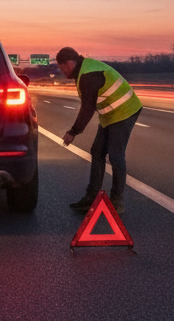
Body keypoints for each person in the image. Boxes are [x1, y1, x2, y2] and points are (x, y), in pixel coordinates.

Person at [56, 46, 142, 214]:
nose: (62, 71)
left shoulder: (88, 75)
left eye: (62, 67)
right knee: (97, 151)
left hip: (125, 110)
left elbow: (87, 108)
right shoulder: (82, 70)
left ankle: (117, 201)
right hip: (109, 114)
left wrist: (73, 132)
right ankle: (91, 197)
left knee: (116, 156)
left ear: (69, 62)